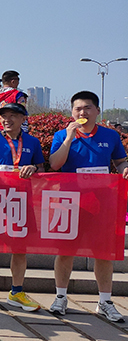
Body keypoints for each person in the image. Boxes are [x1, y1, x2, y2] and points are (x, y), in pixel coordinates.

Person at [48, 91, 128, 322]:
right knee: (65, 252)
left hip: (102, 203)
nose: (82, 112)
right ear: (72, 112)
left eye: (87, 108)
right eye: (78, 109)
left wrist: (124, 168)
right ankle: (60, 297)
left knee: (103, 253)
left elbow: (119, 161)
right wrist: (68, 139)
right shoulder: (62, 135)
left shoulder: (110, 136)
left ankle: (105, 301)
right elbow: (55, 164)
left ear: (97, 111)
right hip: (69, 202)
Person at [0, 103, 43, 311]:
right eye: (3, 116)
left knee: (20, 249)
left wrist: (33, 168)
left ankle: (17, 292)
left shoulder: (32, 142)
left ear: (23, 119)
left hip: (21, 201)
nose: (7, 119)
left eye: (13, 115)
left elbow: (41, 168)